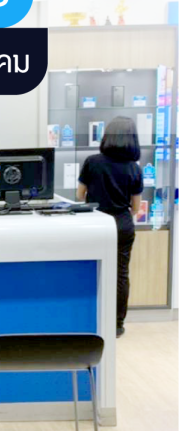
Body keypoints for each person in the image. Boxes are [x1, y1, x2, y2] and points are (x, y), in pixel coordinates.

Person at [77, 116, 143, 338]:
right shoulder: (134, 168)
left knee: (91, 270)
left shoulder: (92, 162)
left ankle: (90, 318)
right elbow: (135, 207)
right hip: (122, 225)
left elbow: (80, 195)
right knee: (121, 274)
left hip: (95, 224)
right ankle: (117, 325)